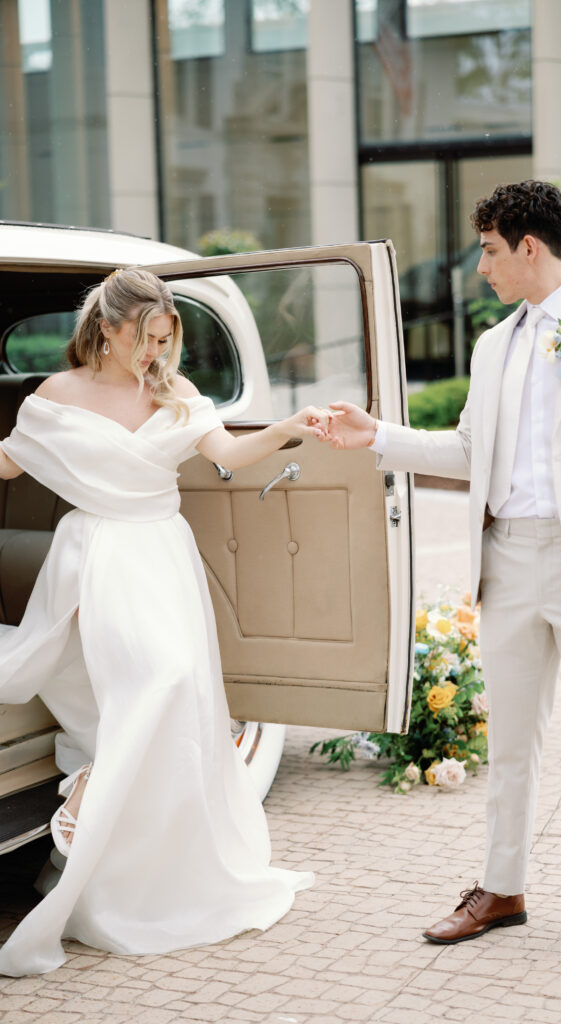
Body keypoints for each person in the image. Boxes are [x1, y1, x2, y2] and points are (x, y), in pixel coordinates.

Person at [320, 181, 561, 959]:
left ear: (527, 246)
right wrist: (375, 436)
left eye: (487, 250)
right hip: (507, 561)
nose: (478, 267)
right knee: (511, 740)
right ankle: (501, 887)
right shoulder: (492, 346)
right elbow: (466, 452)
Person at [0, 267, 326, 977]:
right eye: (146, 337)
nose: (155, 353)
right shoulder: (55, 396)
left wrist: (290, 427)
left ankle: (137, 859)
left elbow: (229, 456)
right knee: (153, 680)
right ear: (108, 327)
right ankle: (89, 792)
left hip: (164, 554)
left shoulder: (173, 393)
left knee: (179, 692)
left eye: (165, 338)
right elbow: (8, 466)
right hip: (100, 556)